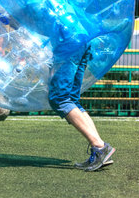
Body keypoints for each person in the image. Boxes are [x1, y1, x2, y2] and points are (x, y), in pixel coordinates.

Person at [48, 43, 115, 171]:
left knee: (60, 99)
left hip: (67, 44)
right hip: (83, 41)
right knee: (72, 99)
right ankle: (100, 148)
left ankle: (99, 147)